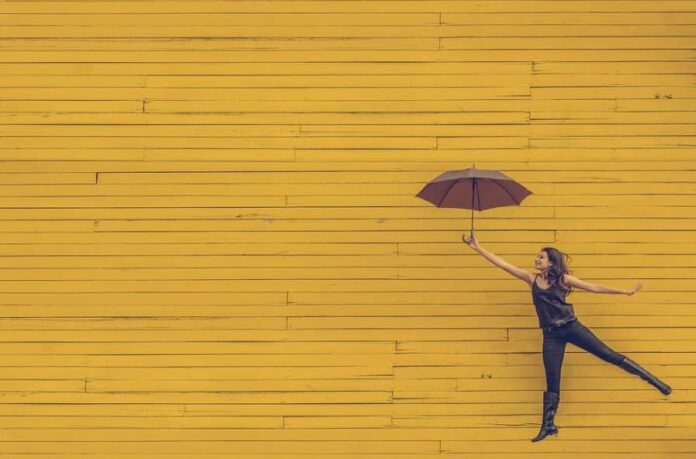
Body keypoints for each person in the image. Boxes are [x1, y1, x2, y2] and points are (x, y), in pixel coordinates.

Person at [462, 232, 671, 442]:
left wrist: (624, 291)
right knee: (552, 379)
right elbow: (503, 265)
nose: (536, 259)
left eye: (541, 257)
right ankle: (548, 425)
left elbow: (593, 287)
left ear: (551, 262)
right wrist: (478, 247)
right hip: (551, 335)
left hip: (571, 327)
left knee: (608, 355)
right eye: (537, 257)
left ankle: (653, 380)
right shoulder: (531, 278)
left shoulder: (564, 279)